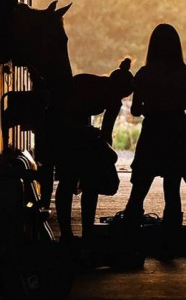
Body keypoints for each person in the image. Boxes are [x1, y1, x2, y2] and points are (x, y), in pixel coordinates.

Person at [124, 24, 186, 232]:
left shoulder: (144, 74)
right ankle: (171, 238)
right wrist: (176, 116)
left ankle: (128, 236)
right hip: (177, 134)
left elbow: (135, 111)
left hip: (152, 132)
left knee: (139, 188)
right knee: (172, 189)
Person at [54, 58, 134, 242]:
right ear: (111, 85)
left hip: (81, 132)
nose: (117, 99)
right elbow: (64, 115)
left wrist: (106, 157)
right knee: (68, 180)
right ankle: (67, 234)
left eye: (120, 97)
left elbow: (107, 133)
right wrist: (86, 133)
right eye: (117, 95)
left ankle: (87, 233)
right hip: (64, 129)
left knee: (91, 182)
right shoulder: (85, 83)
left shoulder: (113, 99)